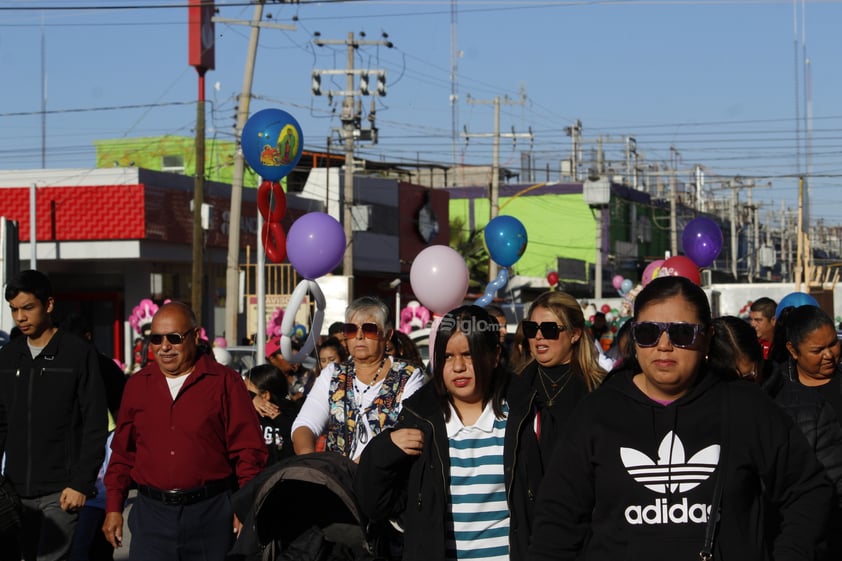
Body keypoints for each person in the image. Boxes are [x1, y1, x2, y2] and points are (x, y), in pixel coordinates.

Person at [528, 276, 833, 561]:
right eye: (648, 332)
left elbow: (809, 492)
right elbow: (556, 524)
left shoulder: (746, 407)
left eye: (681, 332)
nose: (664, 344)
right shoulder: (596, 413)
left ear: (707, 337)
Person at [355, 305, 541, 561]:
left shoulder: (526, 417)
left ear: (495, 356)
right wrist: (382, 451)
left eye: (468, 354)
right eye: (447, 357)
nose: (458, 367)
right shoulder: (418, 420)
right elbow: (375, 504)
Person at [102, 301, 267, 561]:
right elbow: (123, 453)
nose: (164, 346)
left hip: (211, 514)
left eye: (174, 338)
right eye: (156, 338)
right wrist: (113, 507)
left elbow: (248, 450)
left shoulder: (225, 382)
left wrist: (246, 507)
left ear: (195, 335)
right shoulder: (136, 386)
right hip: (151, 517)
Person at [712, 314, 842, 560]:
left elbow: (829, 496)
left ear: (760, 360)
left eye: (748, 378)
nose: (742, 390)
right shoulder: (701, 414)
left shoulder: (808, 409)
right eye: (730, 381)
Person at [0, 269, 108, 561]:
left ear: (49, 305)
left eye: (27, 308)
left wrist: (81, 483)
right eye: (14, 310)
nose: (20, 317)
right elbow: (1, 421)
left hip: (62, 493)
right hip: (14, 492)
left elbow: (95, 423)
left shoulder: (77, 353)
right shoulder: (8, 358)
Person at [291, 296, 425, 461]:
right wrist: (311, 463)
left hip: (386, 481)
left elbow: (408, 436)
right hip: (336, 481)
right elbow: (305, 425)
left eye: (369, 329)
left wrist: (357, 469)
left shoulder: (408, 375)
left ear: (387, 334)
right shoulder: (332, 373)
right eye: (351, 330)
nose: (359, 336)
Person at [516, 290, 605, 462]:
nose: (538, 336)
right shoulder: (515, 386)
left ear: (575, 334)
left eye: (549, 329)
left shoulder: (600, 388)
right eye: (531, 328)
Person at [780, 305, 842, 421]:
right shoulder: (777, 386)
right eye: (817, 350)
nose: (828, 355)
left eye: (833, 344)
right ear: (793, 350)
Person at [244, 364, 300, 466]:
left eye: (247, 391)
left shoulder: (294, 413)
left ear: (265, 395)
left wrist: (279, 418)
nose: (243, 395)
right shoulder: (245, 413)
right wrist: (252, 396)